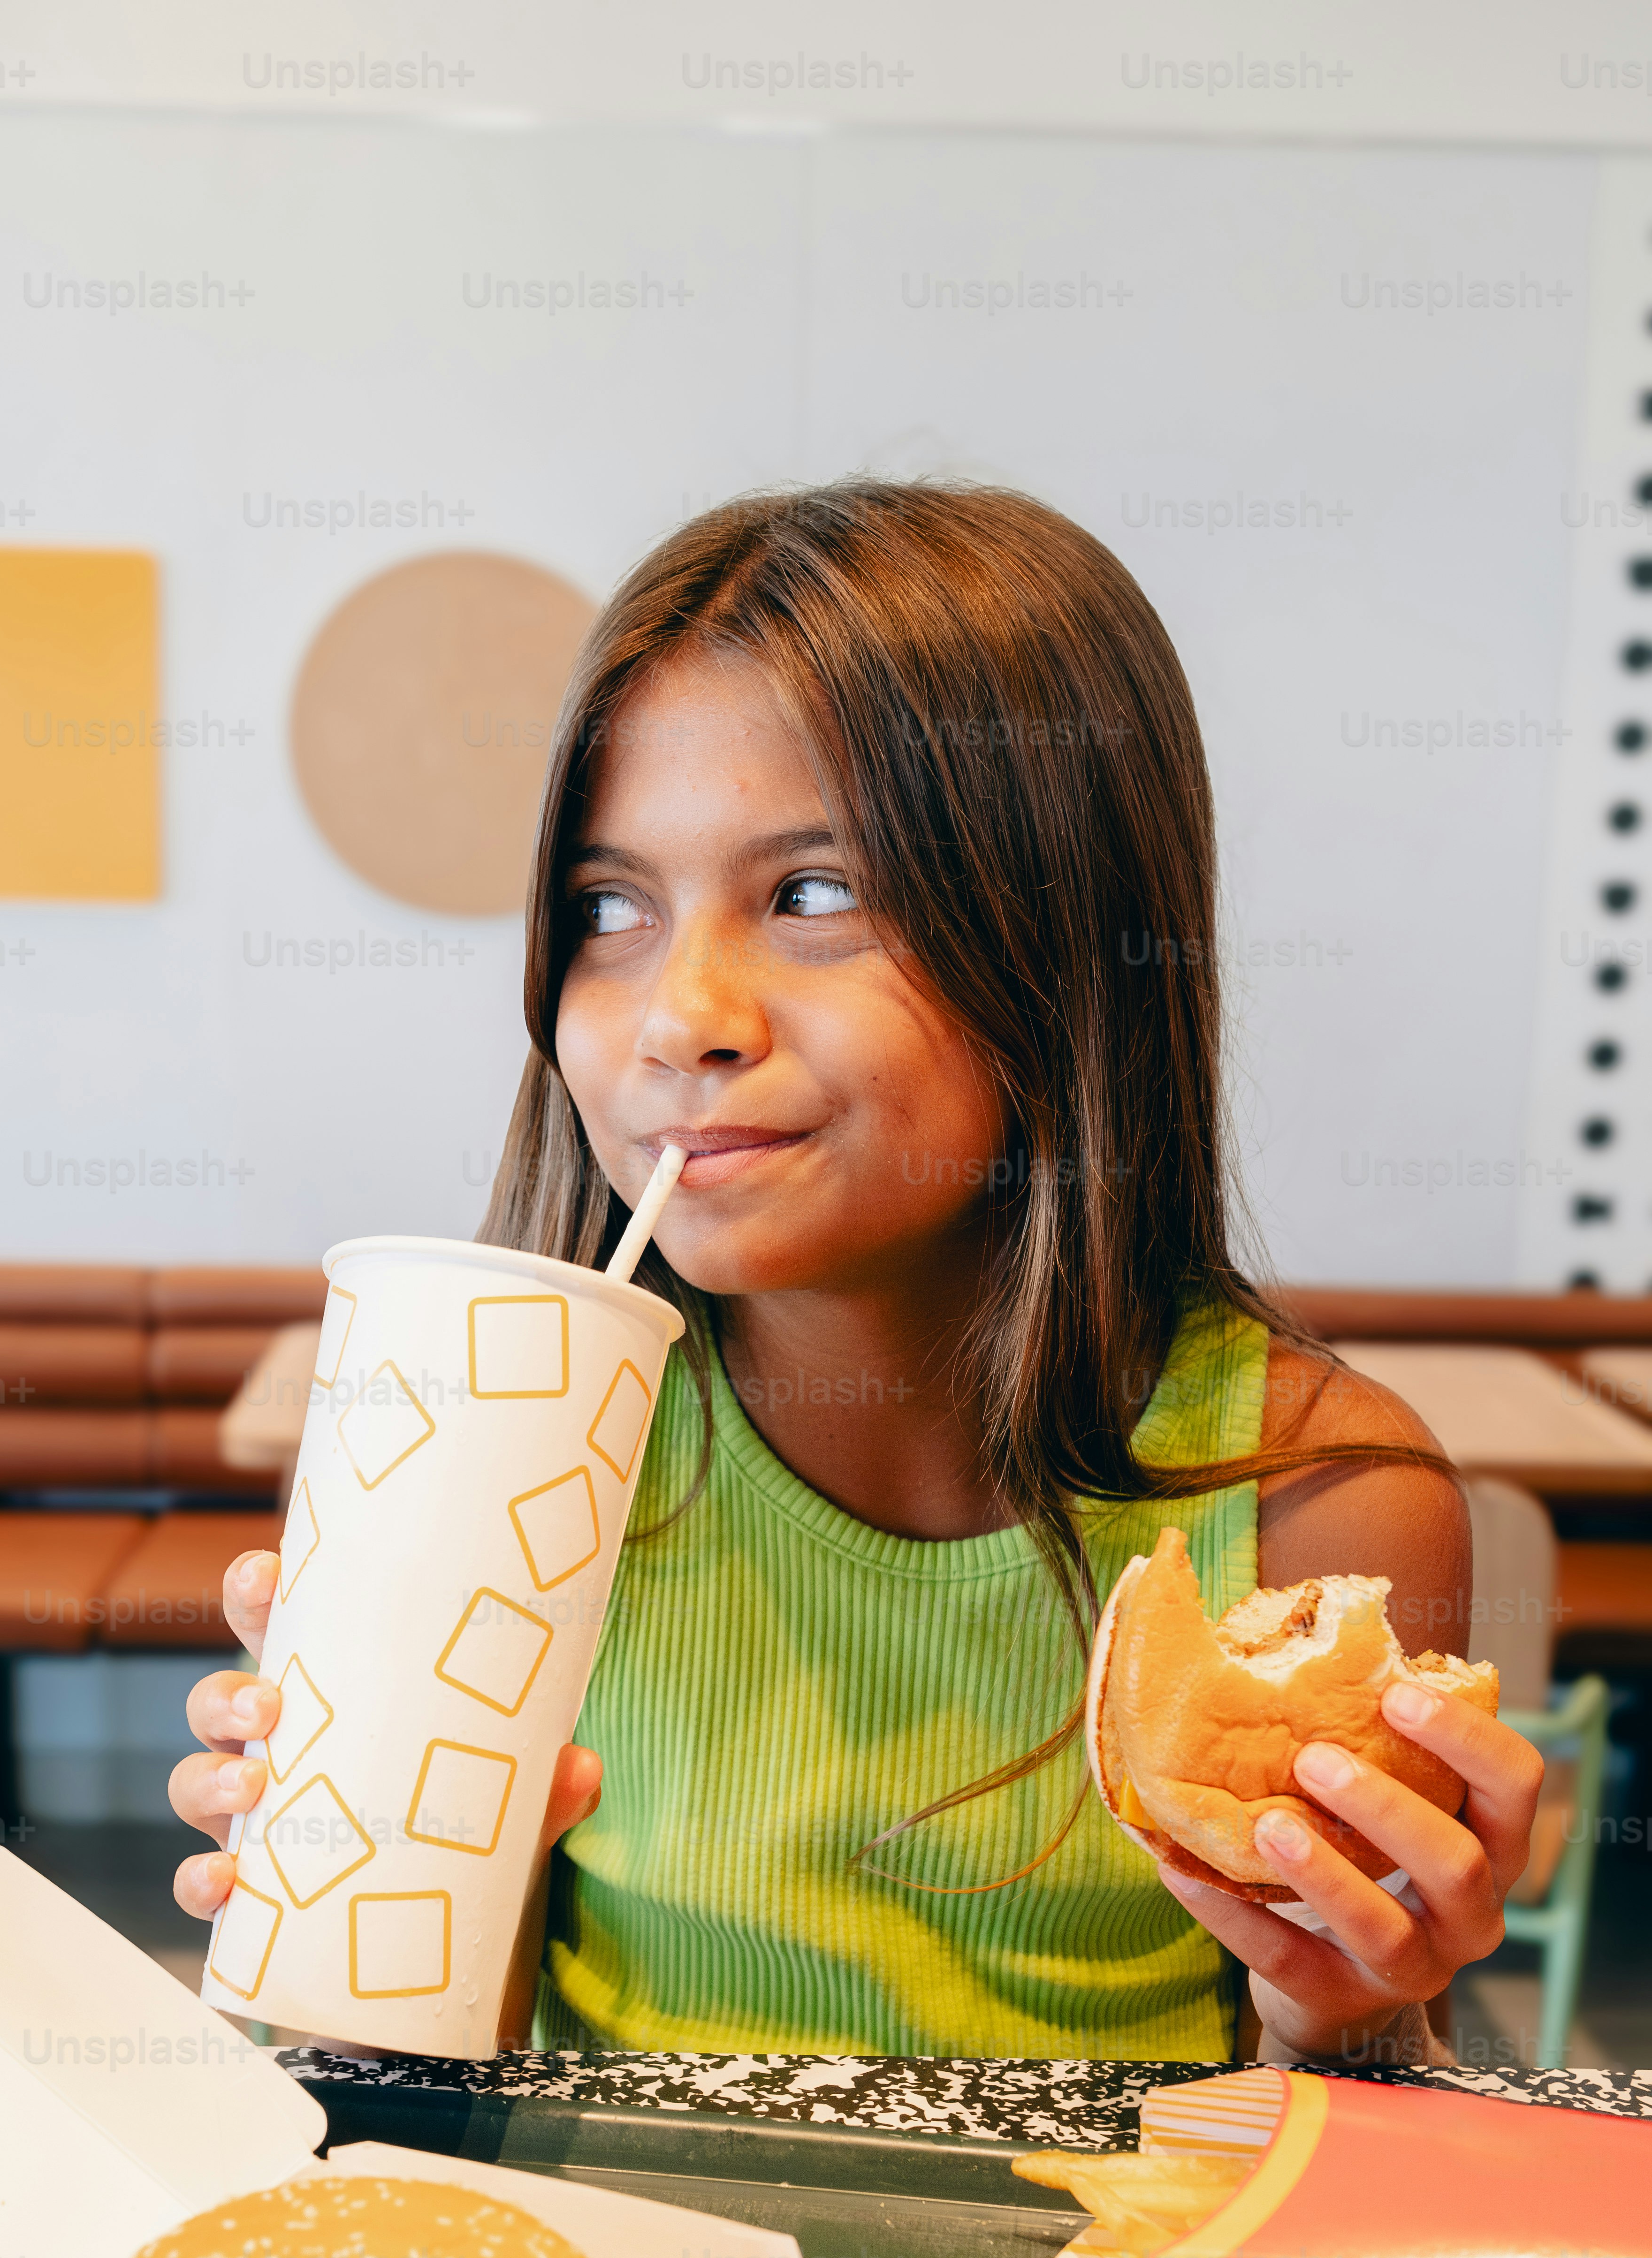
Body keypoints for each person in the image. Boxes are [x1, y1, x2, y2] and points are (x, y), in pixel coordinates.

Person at [171, 481, 1543, 2067]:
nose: (680, 1013)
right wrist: (383, 1905)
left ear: (1069, 939)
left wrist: (1355, 2002)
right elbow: (436, 2085)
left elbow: (1316, 2164)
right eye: (608, 909)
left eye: (810, 895)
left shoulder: (1316, 1507)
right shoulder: (517, 1448)